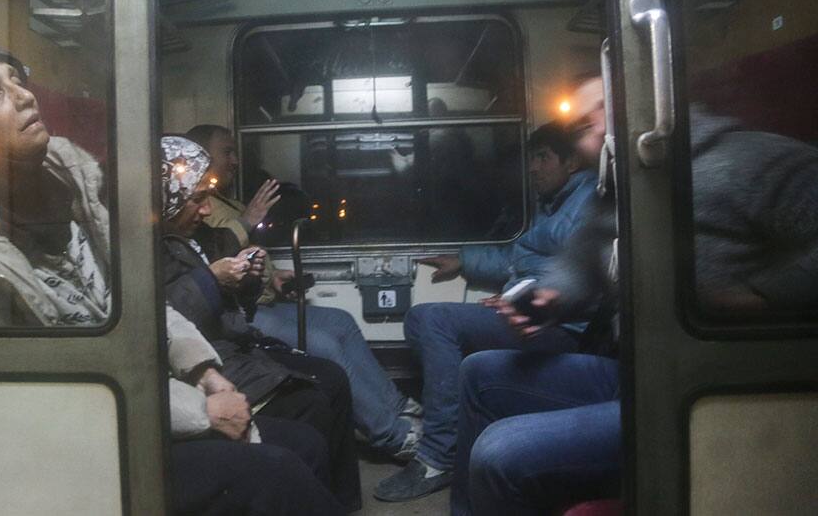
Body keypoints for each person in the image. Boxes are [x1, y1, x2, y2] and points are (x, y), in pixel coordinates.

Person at [0, 39, 344, 516]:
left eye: (18, 79)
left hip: (132, 403)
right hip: (58, 445)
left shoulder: (67, 188)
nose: (23, 96)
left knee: (305, 440)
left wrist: (207, 375)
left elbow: (137, 307)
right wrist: (200, 412)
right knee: (277, 471)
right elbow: (33, 393)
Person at [453, 74, 818, 515]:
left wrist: (760, 296)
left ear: (653, 103)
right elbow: (581, 261)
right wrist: (552, 297)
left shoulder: (747, 159)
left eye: (602, 110)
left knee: (500, 450)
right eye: (583, 126)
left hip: (700, 388)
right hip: (631, 371)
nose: (594, 128)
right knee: (479, 372)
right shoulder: (614, 189)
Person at [375, 121, 599, 502]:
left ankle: (438, 455)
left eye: (542, 158)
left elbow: (578, 271)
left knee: (432, 320)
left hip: (560, 325)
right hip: (533, 312)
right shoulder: (551, 205)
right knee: (422, 318)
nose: (533, 168)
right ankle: (441, 439)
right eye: (532, 159)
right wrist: (464, 261)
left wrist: (520, 299)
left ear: (572, 161)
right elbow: (519, 255)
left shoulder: (589, 201)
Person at [186, 124, 424, 459]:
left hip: (259, 301)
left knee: (340, 321)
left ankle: (397, 407)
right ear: (203, 156)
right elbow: (215, 265)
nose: (235, 160)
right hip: (239, 315)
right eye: (227, 151)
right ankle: (393, 435)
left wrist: (270, 279)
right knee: (324, 344)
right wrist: (249, 221)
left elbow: (241, 260)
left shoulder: (224, 201)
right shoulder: (197, 210)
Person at [159, 134, 362, 511]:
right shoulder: (147, 249)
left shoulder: (198, 237)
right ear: (167, 200)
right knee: (312, 403)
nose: (205, 210)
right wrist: (213, 281)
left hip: (237, 345)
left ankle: (338, 501)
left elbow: (235, 310)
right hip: (215, 359)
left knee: (331, 378)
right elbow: (164, 318)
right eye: (196, 199)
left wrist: (252, 281)